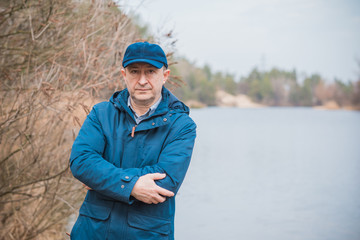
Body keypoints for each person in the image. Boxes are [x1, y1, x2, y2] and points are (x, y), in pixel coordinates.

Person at [69, 41, 197, 240]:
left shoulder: (182, 125)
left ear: (165, 76)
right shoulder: (101, 113)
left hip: (147, 234)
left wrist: (102, 179)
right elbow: (81, 162)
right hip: (92, 232)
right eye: (135, 71)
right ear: (124, 75)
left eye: (151, 72)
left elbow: (167, 181)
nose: (142, 80)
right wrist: (133, 186)